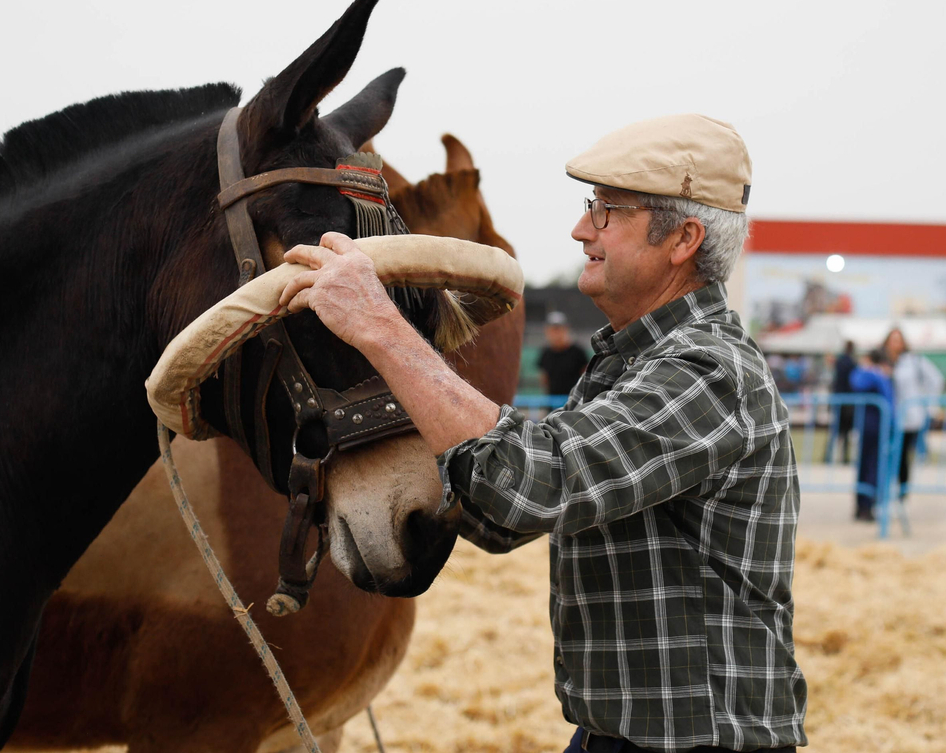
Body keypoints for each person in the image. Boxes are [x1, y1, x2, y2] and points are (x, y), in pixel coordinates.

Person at [275, 113, 806, 753]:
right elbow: (502, 519)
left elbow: (532, 483)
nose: (582, 229)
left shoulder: (711, 372)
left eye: (607, 211)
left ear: (683, 238)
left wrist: (382, 329)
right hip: (615, 736)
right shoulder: (628, 364)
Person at [884, 327, 942, 498]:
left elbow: (936, 380)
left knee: (901, 454)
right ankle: (885, 490)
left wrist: (930, 406)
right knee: (887, 454)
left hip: (908, 417)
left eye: (898, 340)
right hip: (888, 415)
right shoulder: (882, 362)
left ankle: (902, 491)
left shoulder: (914, 361)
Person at [846, 348, 894, 522]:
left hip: (874, 426)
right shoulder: (879, 376)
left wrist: (864, 369)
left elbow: (856, 383)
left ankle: (866, 505)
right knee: (870, 467)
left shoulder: (873, 375)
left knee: (870, 467)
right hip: (873, 426)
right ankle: (864, 505)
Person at [537, 310, 590, 398]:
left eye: (558, 329)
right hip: (553, 403)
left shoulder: (578, 352)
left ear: (566, 329)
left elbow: (585, 376)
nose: (555, 333)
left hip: (575, 402)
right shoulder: (545, 353)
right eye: (552, 330)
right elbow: (544, 379)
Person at [828, 339, 858, 463]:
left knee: (836, 431)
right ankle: (844, 457)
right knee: (845, 432)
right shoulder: (852, 363)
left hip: (839, 398)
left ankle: (828, 456)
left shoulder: (839, 361)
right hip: (848, 401)